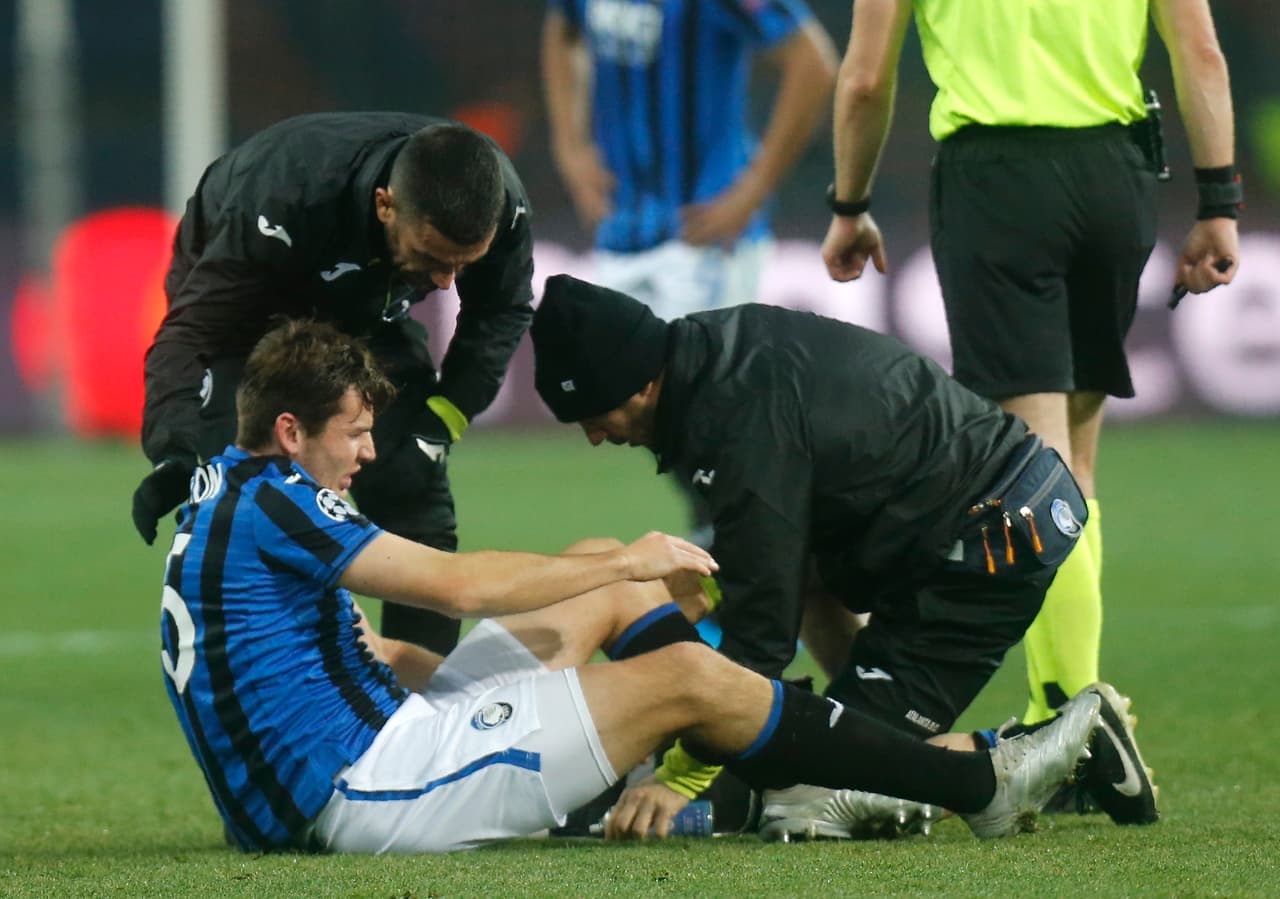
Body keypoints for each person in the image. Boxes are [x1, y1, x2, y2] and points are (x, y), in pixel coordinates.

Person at [158, 317, 1102, 853]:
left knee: (610, 594)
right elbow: (456, 586)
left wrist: (601, 583)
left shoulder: (236, 498)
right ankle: (975, 778)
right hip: (360, 791)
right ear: (290, 430)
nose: (368, 452)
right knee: (684, 669)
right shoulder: (282, 502)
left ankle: (715, 757)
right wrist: (631, 562)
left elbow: (360, 655)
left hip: (362, 747)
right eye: (355, 433)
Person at [529, 273, 1158, 839]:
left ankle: (1064, 752)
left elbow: (760, 634)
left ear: (639, 381)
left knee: (815, 792)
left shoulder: (735, 419)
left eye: (593, 413)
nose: (593, 436)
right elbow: (775, 547)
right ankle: (854, 717)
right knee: (809, 703)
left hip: (983, 541)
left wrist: (681, 775)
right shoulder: (714, 359)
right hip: (968, 512)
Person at [820, 0, 1241, 732]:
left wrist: (849, 202)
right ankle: (1071, 709)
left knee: (1031, 466)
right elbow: (1199, 50)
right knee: (1073, 460)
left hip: (998, 181)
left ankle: (1070, 716)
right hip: (1116, 174)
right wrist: (1220, 202)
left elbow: (862, 81)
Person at [134, 112, 536, 656]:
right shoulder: (288, 194)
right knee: (241, 501)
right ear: (384, 204)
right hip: (251, 307)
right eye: (432, 259)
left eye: (464, 265)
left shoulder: (498, 203)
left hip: (371, 309)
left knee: (414, 488)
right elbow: (192, 331)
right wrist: (173, 448)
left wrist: (441, 422)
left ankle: (421, 719)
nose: (445, 282)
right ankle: (258, 699)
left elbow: (501, 312)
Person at [541, 0, 838, 541]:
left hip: (704, 234)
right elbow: (562, 30)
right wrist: (570, 147)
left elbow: (813, 61)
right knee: (650, 418)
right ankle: (734, 552)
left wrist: (752, 188)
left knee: (709, 418)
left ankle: (766, 569)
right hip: (624, 231)